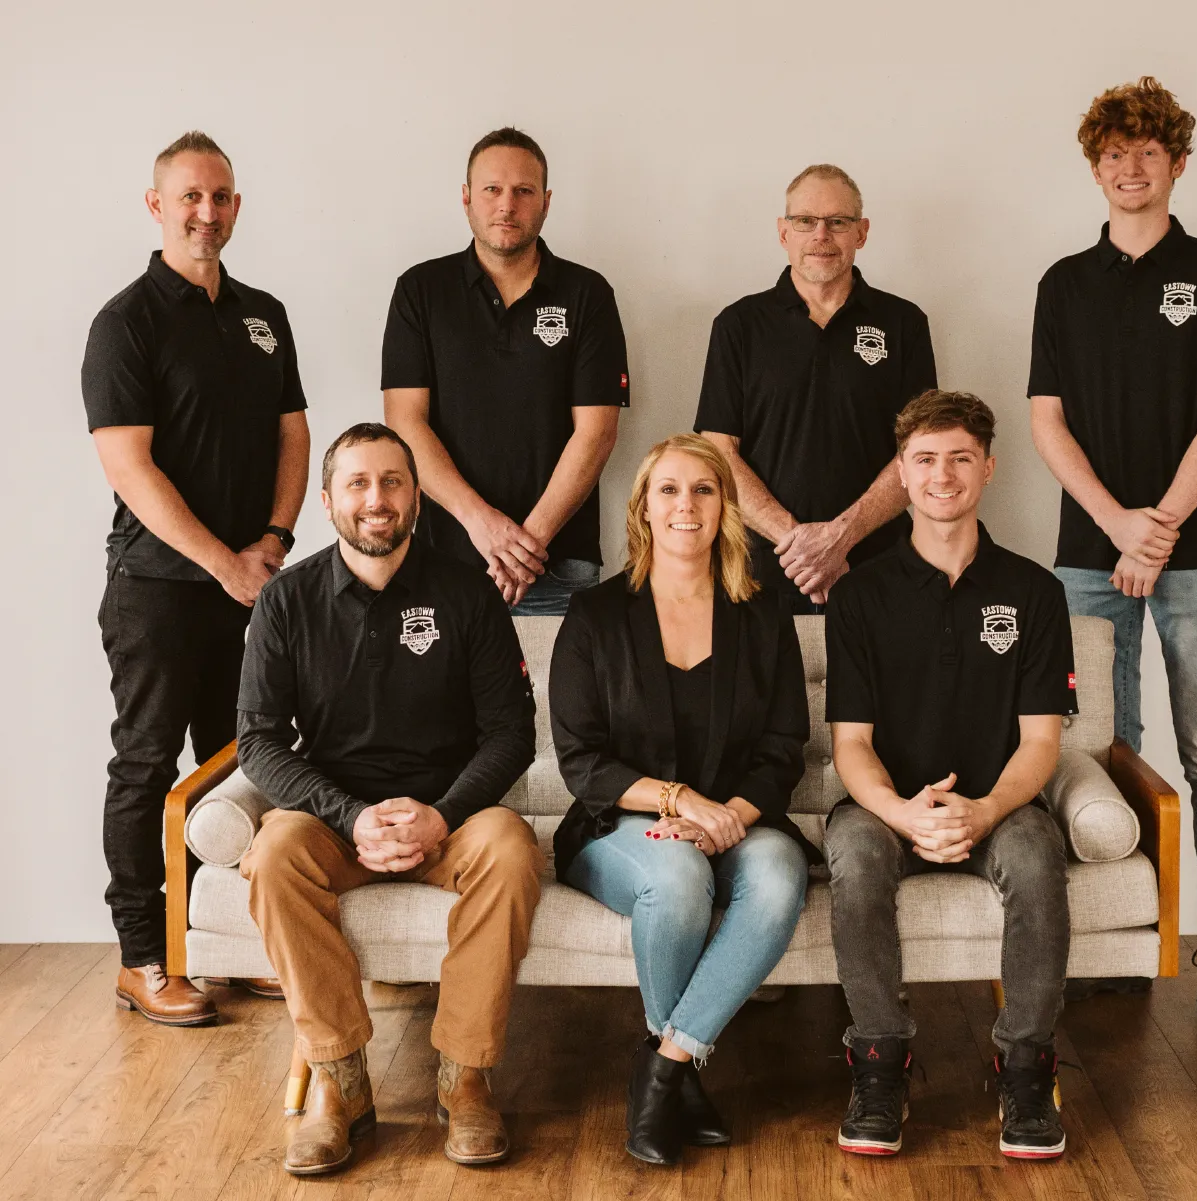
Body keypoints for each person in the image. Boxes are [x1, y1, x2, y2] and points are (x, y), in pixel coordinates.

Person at [236, 424, 541, 1175]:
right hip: (337, 819)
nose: (378, 499)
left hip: (452, 816)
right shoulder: (286, 600)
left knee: (510, 846)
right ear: (329, 499)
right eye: (360, 483)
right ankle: (340, 1083)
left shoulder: (466, 592)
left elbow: (511, 733)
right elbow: (258, 741)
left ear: (414, 495)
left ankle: (464, 1078)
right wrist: (351, 816)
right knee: (272, 853)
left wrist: (441, 813)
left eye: (394, 482)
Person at [1029, 76, 1197, 1029]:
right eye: (1113, 154)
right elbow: (1046, 421)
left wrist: (1156, 525)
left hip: (1196, 549)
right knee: (1096, 746)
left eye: (1147, 152)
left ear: (1175, 162)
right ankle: (1117, 934)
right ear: (1095, 168)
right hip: (1088, 552)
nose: (1130, 168)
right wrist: (1116, 524)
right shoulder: (1062, 282)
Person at [83, 130, 310, 1025]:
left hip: (250, 580)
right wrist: (225, 563)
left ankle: (223, 945)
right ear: (156, 206)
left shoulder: (263, 313)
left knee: (232, 759)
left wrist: (275, 542)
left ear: (237, 206)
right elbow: (129, 466)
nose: (206, 212)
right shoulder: (125, 321)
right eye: (188, 198)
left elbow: (293, 432)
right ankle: (144, 955)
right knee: (146, 763)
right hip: (157, 587)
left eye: (220, 197)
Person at [549, 433, 817, 1166]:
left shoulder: (761, 615)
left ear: (724, 507)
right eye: (666, 489)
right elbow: (580, 760)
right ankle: (680, 1078)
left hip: (739, 816)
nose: (684, 504)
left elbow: (782, 745)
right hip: (620, 824)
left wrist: (727, 815)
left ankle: (663, 1066)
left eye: (702, 488)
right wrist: (678, 802)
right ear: (642, 508)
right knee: (675, 878)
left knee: (778, 874)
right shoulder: (595, 615)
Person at [825, 390, 1077, 1160]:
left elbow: (1040, 741)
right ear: (900, 472)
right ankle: (878, 1061)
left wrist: (986, 809)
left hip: (998, 804)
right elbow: (850, 744)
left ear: (989, 469)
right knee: (857, 854)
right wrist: (905, 814)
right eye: (926, 459)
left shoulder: (1035, 592)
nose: (942, 475)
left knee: (1037, 855)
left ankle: (1026, 1068)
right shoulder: (858, 593)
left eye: (960, 458)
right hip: (887, 804)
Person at [383, 127, 629, 614]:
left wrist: (525, 547)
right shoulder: (421, 291)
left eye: (524, 191)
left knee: (558, 694)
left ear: (546, 201)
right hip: (445, 558)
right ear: (467, 197)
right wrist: (483, 526)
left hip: (557, 564)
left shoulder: (587, 295)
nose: (507, 204)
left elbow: (597, 432)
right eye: (492, 189)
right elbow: (405, 422)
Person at [695, 163, 937, 614]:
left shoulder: (904, 324)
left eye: (838, 222)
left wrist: (840, 538)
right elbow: (718, 453)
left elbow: (920, 452)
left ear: (861, 232)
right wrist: (801, 545)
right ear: (783, 232)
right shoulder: (739, 326)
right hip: (762, 571)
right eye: (805, 220)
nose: (820, 234)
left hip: (879, 567)